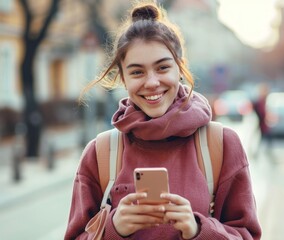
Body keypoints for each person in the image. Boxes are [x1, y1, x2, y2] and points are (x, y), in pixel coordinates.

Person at [64, 1, 262, 239]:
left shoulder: (221, 144)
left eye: (162, 68)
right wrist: (113, 229)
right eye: (137, 72)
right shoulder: (100, 153)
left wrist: (199, 229)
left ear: (180, 68)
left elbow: (247, 234)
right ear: (124, 79)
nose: (151, 82)